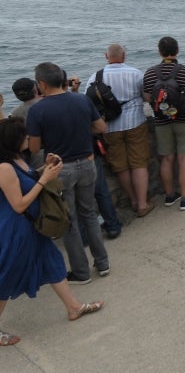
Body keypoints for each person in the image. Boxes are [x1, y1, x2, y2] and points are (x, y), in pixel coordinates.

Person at [0, 117, 104, 346]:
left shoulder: (18, 159)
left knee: (52, 261)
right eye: (24, 135)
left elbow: (28, 179)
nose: (29, 138)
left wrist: (43, 170)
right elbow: (18, 204)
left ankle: (73, 307)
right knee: (7, 276)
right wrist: (44, 179)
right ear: (12, 140)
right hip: (17, 230)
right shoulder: (4, 168)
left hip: (32, 227)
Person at [26, 63, 110, 284]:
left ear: (42, 84)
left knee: (70, 221)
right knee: (90, 214)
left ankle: (81, 273)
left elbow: (34, 148)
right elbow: (101, 128)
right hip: (87, 164)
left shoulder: (37, 110)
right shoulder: (81, 99)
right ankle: (102, 263)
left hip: (61, 169)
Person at [85, 44, 154, 218]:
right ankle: (142, 204)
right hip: (135, 123)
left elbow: (88, 103)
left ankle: (132, 200)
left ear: (105, 56)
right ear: (124, 56)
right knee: (139, 163)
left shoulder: (95, 76)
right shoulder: (136, 73)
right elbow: (146, 97)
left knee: (120, 166)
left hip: (110, 127)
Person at [142, 37, 185, 211]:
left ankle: (170, 195)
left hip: (162, 120)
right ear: (177, 51)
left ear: (159, 52)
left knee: (167, 158)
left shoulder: (149, 73)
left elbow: (147, 98)